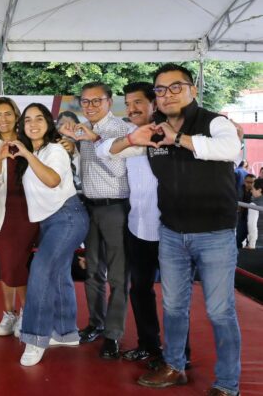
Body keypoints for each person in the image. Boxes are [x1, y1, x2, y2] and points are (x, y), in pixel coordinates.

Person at [120, 64, 241, 396]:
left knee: (220, 311)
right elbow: (110, 152)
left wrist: (179, 139)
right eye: (161, 89)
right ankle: (174, 366)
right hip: (172, 233)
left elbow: (230, 149)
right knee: (173, 306)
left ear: (193, 90)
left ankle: (227, 383)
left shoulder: (215, 122)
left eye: (176, 87)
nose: (168, 94)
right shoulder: (153, 131)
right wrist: (129, 138)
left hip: (215, 233)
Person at [11, 103, 89, 366]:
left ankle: (35, 337)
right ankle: (66, 333)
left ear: (48, 122)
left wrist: (26, 153)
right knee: (59, 274)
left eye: (39, 119)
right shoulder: (36, 151)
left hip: (67, 217)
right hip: (50, 221)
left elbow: (53, 180)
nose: (33, 124)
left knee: (41, 271)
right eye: (27, 119)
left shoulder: (54, 150)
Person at [59, 82, 130, 359]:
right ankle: (95, 324)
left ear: (109, 101)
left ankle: (113, 334)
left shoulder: (121, 130)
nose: (90, 106)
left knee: (118, 276)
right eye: (85, 102)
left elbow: (118, 169)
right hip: (89, 206)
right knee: (92, 272)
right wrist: (73, 147)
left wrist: (94, 139)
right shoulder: (84, 129)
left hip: (116, 208)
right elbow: (85, 169)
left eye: (96, 101)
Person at [96, 82, 164, 363]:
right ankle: (149, 345)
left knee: (175, 298)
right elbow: (103, 150)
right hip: (138, 227)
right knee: (140, 290)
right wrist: (133, 139)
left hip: (171, 229)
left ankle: (177, 356)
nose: (132, 108)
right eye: (128, 103)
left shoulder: (169, 132)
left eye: (138, 102)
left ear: (154, 104)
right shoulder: (129, 135)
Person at [0, 97, 39, 338]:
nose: (3, 119)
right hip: (2, 214)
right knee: (6, 264)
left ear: (16, 116)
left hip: (29, 213)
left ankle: (27, 312)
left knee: (18, 264)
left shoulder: (30, 141)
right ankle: (9, 313)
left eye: (8, 113)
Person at [245, 178, 263, 249]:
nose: (251, 191)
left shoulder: (253, 205)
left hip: (258, 243)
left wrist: (251, 245)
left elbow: (252, 226)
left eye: (253, 189)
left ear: (259, 190)